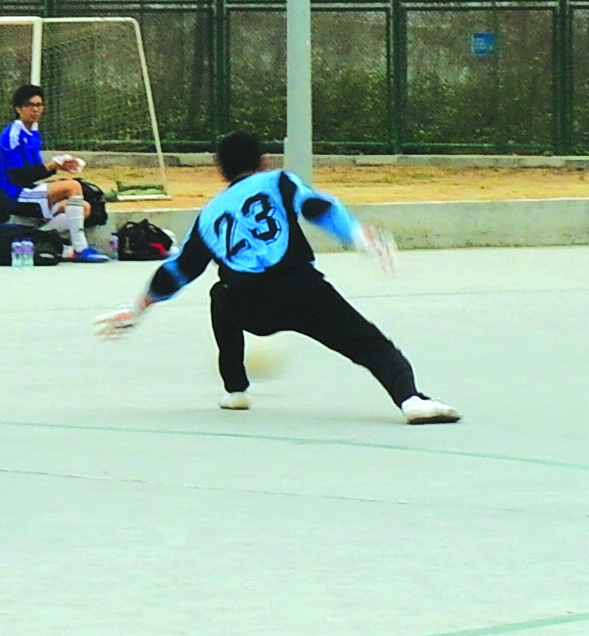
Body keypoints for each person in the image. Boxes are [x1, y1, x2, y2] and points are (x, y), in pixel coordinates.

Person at [95, 128, 456, 422]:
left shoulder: (208, 215)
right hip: (302, 291)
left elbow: (180, 270)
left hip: (248, 305)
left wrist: (138, 307)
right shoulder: (278, 181)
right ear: (263, 161)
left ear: (221, 172)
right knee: (372, 346)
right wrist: (357, 235)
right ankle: (410, 400)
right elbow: (315, 207)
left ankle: (235, 390)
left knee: (219, 296)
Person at [0, 81, 109, 256]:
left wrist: (58, 167)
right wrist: (51, 165)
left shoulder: (33, 133)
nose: (35, 109)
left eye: (39, 105)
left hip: (28, 190)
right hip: (13, 193)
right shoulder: (13, 134)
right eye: (30, 105)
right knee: (73, 186)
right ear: (18, 109)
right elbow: (17, 177)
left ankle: (42, 236)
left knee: (84, 207)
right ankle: (81, 248)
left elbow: (36, 171)